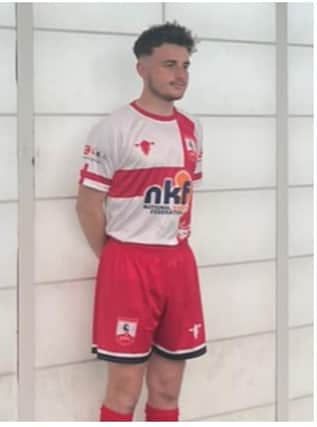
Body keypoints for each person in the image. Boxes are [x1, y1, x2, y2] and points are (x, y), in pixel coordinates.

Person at [76, 22, 205, 422]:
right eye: (169, 64)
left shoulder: (191, 130)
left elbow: (184, 198)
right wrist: (116, 258)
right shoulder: (113, 129)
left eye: (185, 65)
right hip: (129, 264)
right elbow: (87, 206)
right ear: (142, 68)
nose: (180, 74)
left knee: (167, 389)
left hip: (179, 264)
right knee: (124, 392)